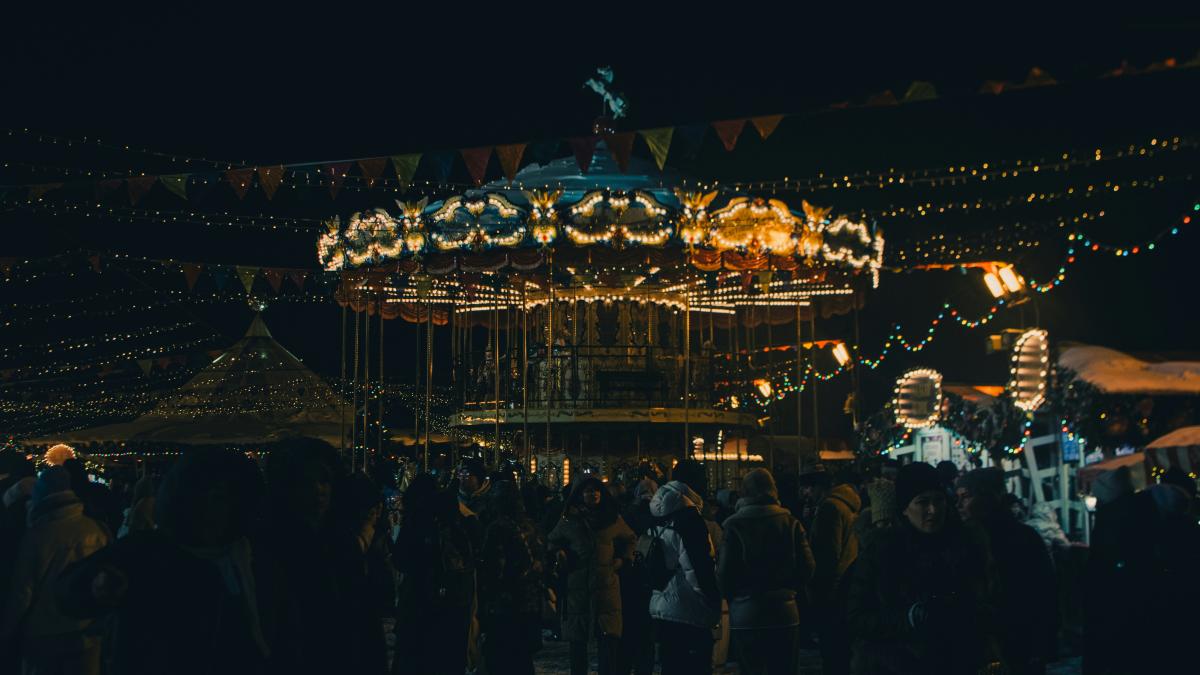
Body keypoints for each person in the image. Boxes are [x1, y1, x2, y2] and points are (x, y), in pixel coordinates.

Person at [57, 448, 268, 675]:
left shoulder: (253, 559)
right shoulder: (145, 551)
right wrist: (94, 585)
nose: (210, 508)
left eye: (222, 498)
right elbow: (67, 592)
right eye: (202, 496)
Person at [847, 462, 995, 674]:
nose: (932, 510)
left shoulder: (967, 545)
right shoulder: (881, 552)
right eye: (922, 502)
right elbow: (857, 617)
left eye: (938, 500)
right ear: (905, 509)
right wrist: (909, 618)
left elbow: (990, 602)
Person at [3, 467, 110, 675]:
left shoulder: (37, 536)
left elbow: (22, 593)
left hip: (44, 636)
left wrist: (6, 632)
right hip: (86, 634)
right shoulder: (96, 530)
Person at [957, 468, 1057, 675]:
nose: (959, 505)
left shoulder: (1021, 538)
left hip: (1018, 643)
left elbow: (1044, 593)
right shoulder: (962, 541)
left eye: (965, 497)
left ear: (986, 496)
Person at [717, 468, 815, 675]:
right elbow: (808, 568)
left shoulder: (734, 525)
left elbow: (725, 574)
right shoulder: (791, 523)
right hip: (784, 611)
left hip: (746, 613)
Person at [548, 477, 636, 675]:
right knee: (578, 646)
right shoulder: (569, 520)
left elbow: (630, 539)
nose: (593, 494)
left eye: (596, 491)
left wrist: (622, 560)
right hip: (578, 587)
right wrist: (560, 553)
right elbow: (553, 540)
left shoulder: (612, 518)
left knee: (608, 642)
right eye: (588, 491)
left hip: (606, 587)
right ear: (580, 495)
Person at [394, 474, 475, 675]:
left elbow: (400, 559)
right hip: (453, 602)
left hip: (419, 600)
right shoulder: (458, 522)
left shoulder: (417, 521)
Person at [648, 475, 720, 675]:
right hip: (688, 607)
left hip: (662, 601)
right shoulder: (689, 520)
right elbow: (696, 568)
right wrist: (711, 599)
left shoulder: (657, 516)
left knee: (671, 665)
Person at [478, 479, 544, 675]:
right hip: (529, 603)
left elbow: (493, 570)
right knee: (522, 659)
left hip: (505, 605)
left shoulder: (497, 529)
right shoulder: (530, 527)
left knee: (501, 659)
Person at [809, 472, 862, 675]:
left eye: (809, 488)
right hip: (847, 582)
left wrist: (817, 592)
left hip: (832, 589)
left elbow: (827, 554)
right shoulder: (848, 505)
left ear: (818, 488)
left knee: (832, 653)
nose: (806, 493)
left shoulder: (829, 508)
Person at [617, 477, 657, 675]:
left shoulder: (627, 514)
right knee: (645, 633)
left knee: (629, 629)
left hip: (629, 576)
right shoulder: (657, 515)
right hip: (648, 577)